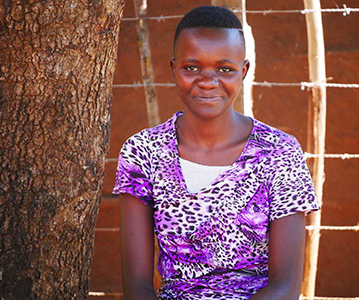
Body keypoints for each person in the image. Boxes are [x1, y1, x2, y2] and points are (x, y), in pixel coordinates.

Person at [113, 6, 320, 300]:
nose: (208, 81)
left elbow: (285, 287)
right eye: (191, 68)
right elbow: (137, 285)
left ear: (244, 71)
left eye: (225, 69)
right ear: (173, 68)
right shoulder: (143, 152)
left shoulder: (279, 153)